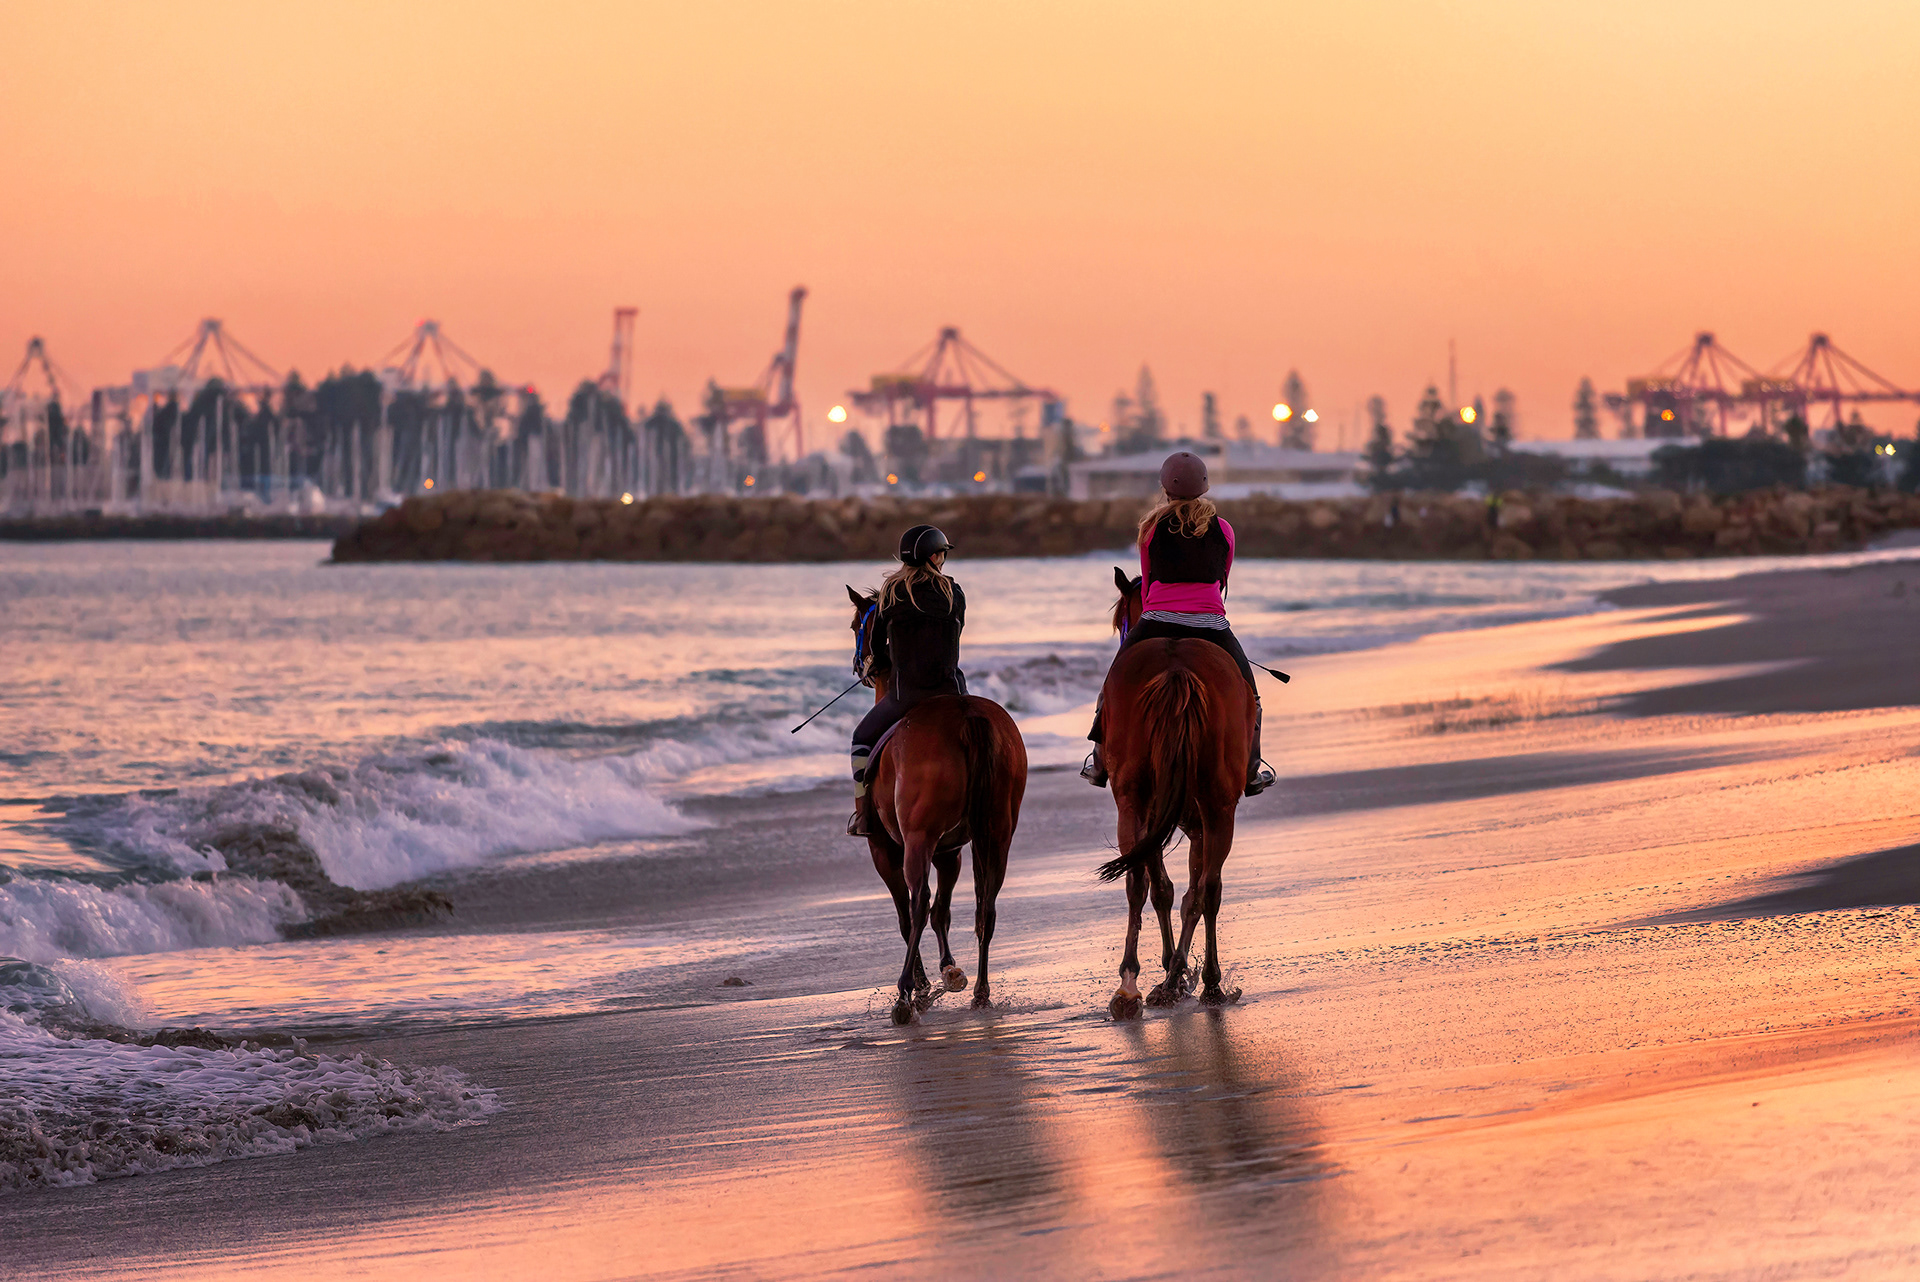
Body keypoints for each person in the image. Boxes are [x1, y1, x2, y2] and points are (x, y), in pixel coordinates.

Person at [1082, 450, 1274, 796]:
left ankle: (1098, 762)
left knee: (1111, 687)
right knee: (1252, 697)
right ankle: (1250, 771)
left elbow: (1150, 580)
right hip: (1212, 626)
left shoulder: (1151, 528)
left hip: (1156, 621)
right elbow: (1223, 579)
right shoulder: (1225, 529)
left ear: (1165, 489)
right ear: (1203, 487)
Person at [848, 524, 968, 836]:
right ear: (935, 557)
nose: (943, 559)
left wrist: (888, 660)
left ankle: (863, 816)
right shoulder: (954, 592)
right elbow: (951, 640)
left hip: (907, 696)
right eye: (942, 554)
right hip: (952, 693)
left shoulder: (890, 593)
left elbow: (875, 648)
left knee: (861, 740)